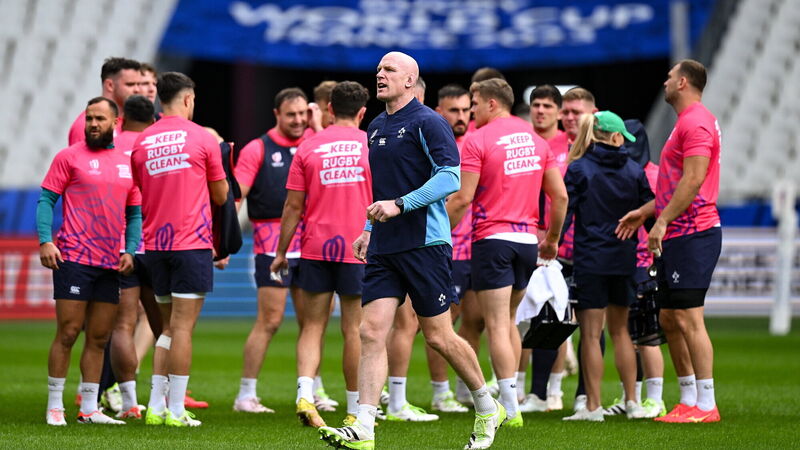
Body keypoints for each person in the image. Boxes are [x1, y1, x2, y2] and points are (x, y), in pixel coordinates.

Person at [318, 51, 505, 450]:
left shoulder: (428, 122)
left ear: (409, 80)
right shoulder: (375, 126)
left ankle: (488, 406)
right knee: (371, 331)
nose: (379, 74)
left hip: (424, 244)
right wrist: (369, 229)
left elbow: (450, 178)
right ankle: (364, 427)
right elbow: (382, 190)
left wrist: (401, 205)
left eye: (389, 69)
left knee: (438, 336)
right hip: (385, 246)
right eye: (378, 69)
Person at [446, 78, 568, 427]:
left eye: (474, 104)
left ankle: (510, 409)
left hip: (493, 239)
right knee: (509, 321)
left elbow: (463, 198)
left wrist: (440, 234)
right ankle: (514, 397)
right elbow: (560, 196)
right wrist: (552, 239)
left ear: (492, 103)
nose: (471, 111)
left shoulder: (477, 139)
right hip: (527, 242)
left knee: (497, 324)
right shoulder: (536, 139)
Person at [617, 59, 722, 424]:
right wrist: (647, 211)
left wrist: (661, 221)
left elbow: (693, 180)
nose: (664, 81)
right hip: (681, 231)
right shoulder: (688, 121)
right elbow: (676, 183)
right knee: (669, 317)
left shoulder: (696, 122)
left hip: (693, 231)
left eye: (669, 76)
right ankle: (689, 398)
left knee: (689, 318)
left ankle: (706, 404)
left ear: (682, 83)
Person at [269, 81, 372, 428]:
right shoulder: (371, 145)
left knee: (312, 326)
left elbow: (292, 206)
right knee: (354, 330)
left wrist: (281, 252)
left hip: (315, 247)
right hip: (358, 249)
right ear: (362, 112)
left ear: (328, 109)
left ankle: (305, 394)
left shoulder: (308, 146)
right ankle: (355, 409)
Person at [130, 72, 228, 427]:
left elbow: (142, 188)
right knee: (183, 328)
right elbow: (221, 195)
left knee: (168, 328)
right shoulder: (202, 137)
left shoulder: (142, 141)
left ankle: (156, 407)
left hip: (155, 244)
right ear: (187, 99)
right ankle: (175, 410)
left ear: (160, 98)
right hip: (190, 242)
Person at [40, 97, 142, 426]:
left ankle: (88, 408)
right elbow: (46, 200)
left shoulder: (127, 164)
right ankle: (55, 405)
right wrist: (45, 240)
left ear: (116, 123)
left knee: (99, 337)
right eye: (89, 119)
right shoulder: (68, 157)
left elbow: (134, 213)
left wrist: (130, 249)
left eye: (100, 119)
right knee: (69, 332)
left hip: (110, 262)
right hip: (74, 258)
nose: (93, 124)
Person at [234, 87, 331, 413]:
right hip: (271, 244)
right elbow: (237, 195)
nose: (298, 120)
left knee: (313, 323)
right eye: (291, 115)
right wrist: (224, 241)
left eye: (303, 113)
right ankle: (246, 395)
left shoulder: (315, 142)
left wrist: (317, 127)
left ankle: (313, 390)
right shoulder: (257, 149)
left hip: (312, 244)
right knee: (270, 321)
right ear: (276, 114)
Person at [558, 111, 653, 421]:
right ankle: (632, 402)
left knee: (590, 334)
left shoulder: (578, 168)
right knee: (622, 332)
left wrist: (551, 243)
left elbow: (565, 212)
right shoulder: (635, 169)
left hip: (590, 259)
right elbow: (650, 208)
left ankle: (593, 407)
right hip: (624, 258)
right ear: (615, 136)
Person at [518, 84, 574, 413]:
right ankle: (520, 387)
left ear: (558, 111)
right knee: (522, 318)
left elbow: (568, 196)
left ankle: (553, 390)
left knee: (556, 318)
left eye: (547, 106)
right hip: (527, 239)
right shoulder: (522, 142)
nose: (540, 111)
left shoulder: (570, 146)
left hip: (560, 243)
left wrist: (555, 234)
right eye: (536, 105)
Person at [111, 95, 155, 420]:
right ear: (153, 120)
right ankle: (166, 401)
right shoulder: (157, 144)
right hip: (156, 244)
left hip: (120, 246)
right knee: (168, 326)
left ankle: (127, 401)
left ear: (122, 119)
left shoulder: (111, 145)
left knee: (122, 326)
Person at [69, 57, 141, 145]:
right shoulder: (88, 125)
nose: (137, 90)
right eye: (130, 84)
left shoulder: (134, 122)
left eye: (139, 84)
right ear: (110, 85)